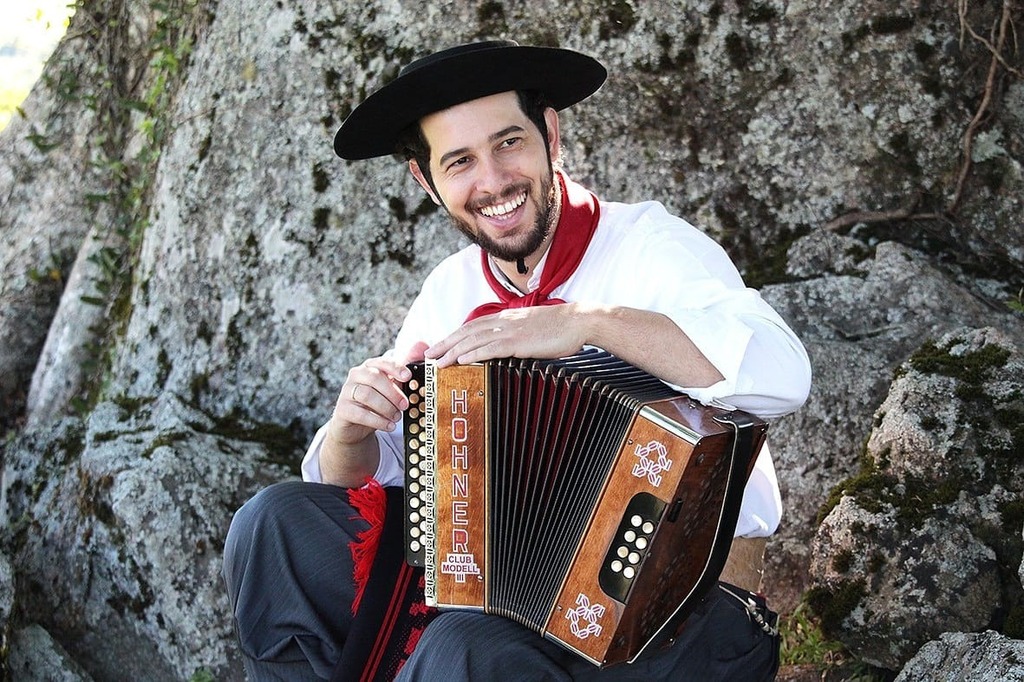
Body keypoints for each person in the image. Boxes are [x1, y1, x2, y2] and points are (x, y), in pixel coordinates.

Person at [223, 40, 811, 681]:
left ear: (549, 135)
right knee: (272, 525)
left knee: (460, 648)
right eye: (460, 162)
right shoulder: (451, 289)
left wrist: (587, 322)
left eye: (508, 143)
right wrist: (350, 432)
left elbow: (784, 374)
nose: (494, 180)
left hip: (678, 611)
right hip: (498, 601)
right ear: (427, 182)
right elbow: (367, 479)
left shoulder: (652, 248)